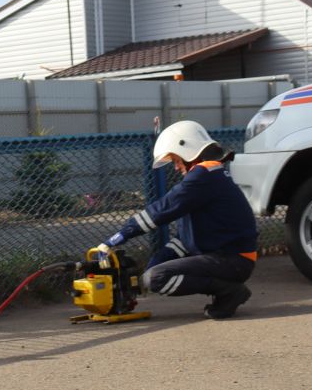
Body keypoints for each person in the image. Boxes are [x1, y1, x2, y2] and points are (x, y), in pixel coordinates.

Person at [101, 120, 258, 320]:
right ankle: (229, 293)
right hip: (233, 259)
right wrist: (156, 262)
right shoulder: (211, 174)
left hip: (232, 261)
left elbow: (161, 211)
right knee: (154, 273)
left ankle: (230, 292)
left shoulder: (203, 175)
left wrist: (116, 238)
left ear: (188, 150)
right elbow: (186, 239)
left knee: (156, 278)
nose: (176, 167)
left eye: (176, 160)